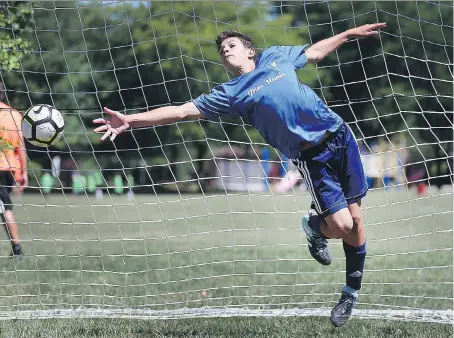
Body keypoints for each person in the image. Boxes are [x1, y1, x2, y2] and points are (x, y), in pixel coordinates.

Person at [93, 23, 386, 327]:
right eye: (221, 51)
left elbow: (313, 53)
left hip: (340, 135)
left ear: (249, 50)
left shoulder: (275, 57)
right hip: (311, 157)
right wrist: (130, 119)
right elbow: (181, 111)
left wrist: (347, 35)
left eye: (230, 45)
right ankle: (315, 225)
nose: (225, 51)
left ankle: (350, 292)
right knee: (341, 226)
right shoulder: (231, 92)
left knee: (357, 223)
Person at [0, 82, 27, 259]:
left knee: (5, 209)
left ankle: (17, 250)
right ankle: (16, 249)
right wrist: (24, 172)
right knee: (4, 207)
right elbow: (22, 147)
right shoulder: (14, 115)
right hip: (9, 168)